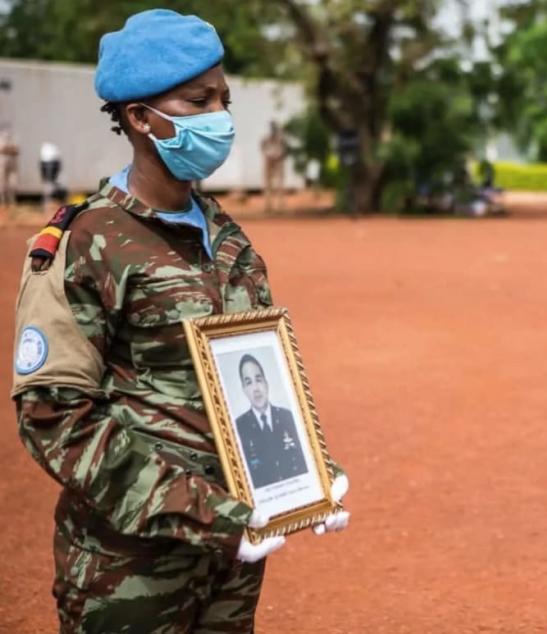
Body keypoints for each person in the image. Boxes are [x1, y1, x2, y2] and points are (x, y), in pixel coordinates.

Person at [11, 10, 349, 632]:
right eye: (200, 100)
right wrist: (201, 512)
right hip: (130, 570)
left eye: (224, 97)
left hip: (232, 557)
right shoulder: (87, 241)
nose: (222, 115)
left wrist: (303, 478)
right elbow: (53, 414)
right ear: (141, 118)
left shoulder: (228, 239)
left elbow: (256, 380)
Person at [234, 354, 308, 488]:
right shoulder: (239, 427)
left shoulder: (288, 417)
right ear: (244, 389)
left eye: (258, 379)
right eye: (249, 382)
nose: (256, 388)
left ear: (266, 383)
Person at [260, 120, 286, 213]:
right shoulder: (266, 139)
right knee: (268, 183)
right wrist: (269, 155)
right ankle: (268, 205)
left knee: (279, 183)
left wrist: (278, 155)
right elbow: (262, 149)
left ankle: (280, 205)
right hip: (269, 160)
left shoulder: (280, 139)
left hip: (278, 160)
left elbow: (283, 150)